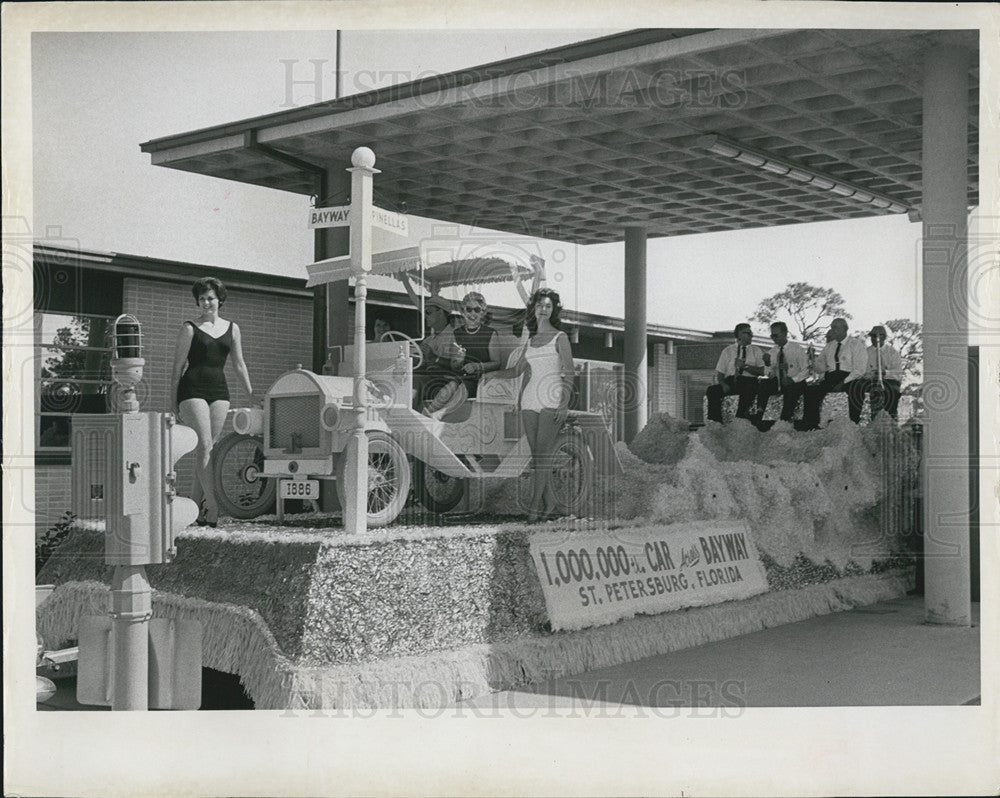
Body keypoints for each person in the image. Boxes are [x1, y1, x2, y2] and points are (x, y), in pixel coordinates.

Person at [485, 288, 574, 522]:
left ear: (553, 310)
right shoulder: (532, 341)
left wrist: (564, 404)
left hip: (551, 399)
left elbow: (570, 373)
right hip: (529, 400)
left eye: (547, 306)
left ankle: (535, 506)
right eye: (539, 305)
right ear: (533, 309)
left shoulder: (560, 337)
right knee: (537, 458)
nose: (543, 310)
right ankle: (551, 501)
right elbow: (518, 371)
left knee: (543, 455)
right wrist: (493, 375)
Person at [171, 277, 253, 527]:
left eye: (210, 298)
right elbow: (177, 367)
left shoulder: (233, 328)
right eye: (202, 299)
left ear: (220, 300)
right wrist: (172, 401)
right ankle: (214, 507)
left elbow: (239, 365)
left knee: (207, 450)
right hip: (192, 388)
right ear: (198, 302)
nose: (206, 302)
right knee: (205, 445)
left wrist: (252, 395)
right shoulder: (189, 328)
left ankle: (194, 509)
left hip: (219, 391)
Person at [802, 317, 868, 428]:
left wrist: (843, 382)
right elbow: (820, 368)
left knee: (856, 389)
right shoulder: (829, 346)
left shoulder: (856, 344)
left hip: (850, 378)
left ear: (845, 329)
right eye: (832, 327)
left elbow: (860, 369)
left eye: (836, 327)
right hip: (831, 377)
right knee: (811, 391)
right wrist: (812, 360)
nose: (833, 330)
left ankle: (853, 424)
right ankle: (812, 425)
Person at [752, 321, 809, 430]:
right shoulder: (773, 351)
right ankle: (759, 413)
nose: (773, 338)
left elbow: (806, 370)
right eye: (771, 335)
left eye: (776, 335)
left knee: (792, 390)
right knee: (763, 384)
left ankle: (785, 420)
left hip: (795, 382)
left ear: (785, 333)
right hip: (780, 382)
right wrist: (768, 364)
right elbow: (770, 373)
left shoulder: (796, 349)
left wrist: (793, 379)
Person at [705, 323, 765, 423]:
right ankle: (716, 423)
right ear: (739, 335)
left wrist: (745, 367)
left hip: (749, 381)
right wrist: (723, 384)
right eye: (748, 333)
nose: (751, 335)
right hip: (731, 381)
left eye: (751, 333)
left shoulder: (756, 350)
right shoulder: (728, 351)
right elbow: (720, 373)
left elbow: (762, 371)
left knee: (749, 386)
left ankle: (740, 418)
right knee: (712, 390)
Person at [412, 296, 460, 409]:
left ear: (441, 313)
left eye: (429, 312)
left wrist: (434, 358)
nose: (425, 316)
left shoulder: (456, 336)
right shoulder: (428, 340)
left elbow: (458, 367)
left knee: (414, 381)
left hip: (446, 382)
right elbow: (421, 364)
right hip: (429, 378)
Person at [861, 325, 903, 419]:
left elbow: (898, 373)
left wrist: (885, 373)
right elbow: (863, 371)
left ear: (884, 337)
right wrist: (871, 374)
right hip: (871, 380)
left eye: (878, 336)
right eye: (872, 336)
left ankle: (891, 419)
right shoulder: (866, 352)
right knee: (872, 391)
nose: (875, 338)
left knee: (892, 392)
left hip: (890, 380)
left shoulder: (893, 352)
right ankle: (874, 420)